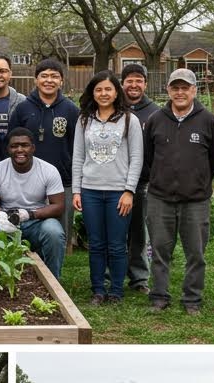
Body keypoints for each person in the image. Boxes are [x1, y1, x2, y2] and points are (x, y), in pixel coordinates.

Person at [143, 69, 214, 314]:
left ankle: (192, 299)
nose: (180, 92)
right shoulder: (156, 120)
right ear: (168, 90)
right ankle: (159, 296)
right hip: (160, 198)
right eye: (175, 88)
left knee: (196, 253)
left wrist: (198, 180)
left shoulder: (209, 121)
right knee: (160, 250)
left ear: (194, 90)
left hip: (195, 200)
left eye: (185, 88)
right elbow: (148, 157)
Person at [72, 71, 143, 305]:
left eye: (108, 89)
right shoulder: (84, 120)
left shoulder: (129, 120)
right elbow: (78, 157)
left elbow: (136, 158)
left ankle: (116, 291)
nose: (104, 93)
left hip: (118, 192)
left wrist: (129, 191)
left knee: (117, 244)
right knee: (96, 244)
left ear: (116, 92)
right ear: (92, 93)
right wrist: (76, 190)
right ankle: (98, 290)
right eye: (99, 89)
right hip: (90, 191)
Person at [0, 127, 67, 278]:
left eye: (25, 145)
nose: (19, 150)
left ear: (33, 148)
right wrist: (0, 215)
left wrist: (30, 214)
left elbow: (59, 206)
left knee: (54, 232)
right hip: (5, 221)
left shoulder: (48, 170)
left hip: (37, 221)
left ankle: (53, 280)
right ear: (8, 149)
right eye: (14, 146)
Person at [12, 59, 80, 245]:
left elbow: (78, 146)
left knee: (60, 231)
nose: (49, 80)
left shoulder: (71, 110)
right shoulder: (23, 108)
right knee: (30, 224)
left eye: (54, 76)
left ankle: (60, 257)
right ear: (36, 80)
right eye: (44, 76)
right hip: (28, 179)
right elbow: (13, 143)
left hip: (63, 179)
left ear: (61, 81)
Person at [119, 64, 158, 294]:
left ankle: (139, 277)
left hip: (142, 181)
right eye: (129, 80)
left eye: (139, 80)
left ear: (145, 84)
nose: (134, 85)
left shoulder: (154, 112)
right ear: (122, 83)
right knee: (114, 232)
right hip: (114, 181)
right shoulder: (114, 108)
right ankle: (111, 274)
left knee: (138, 232)